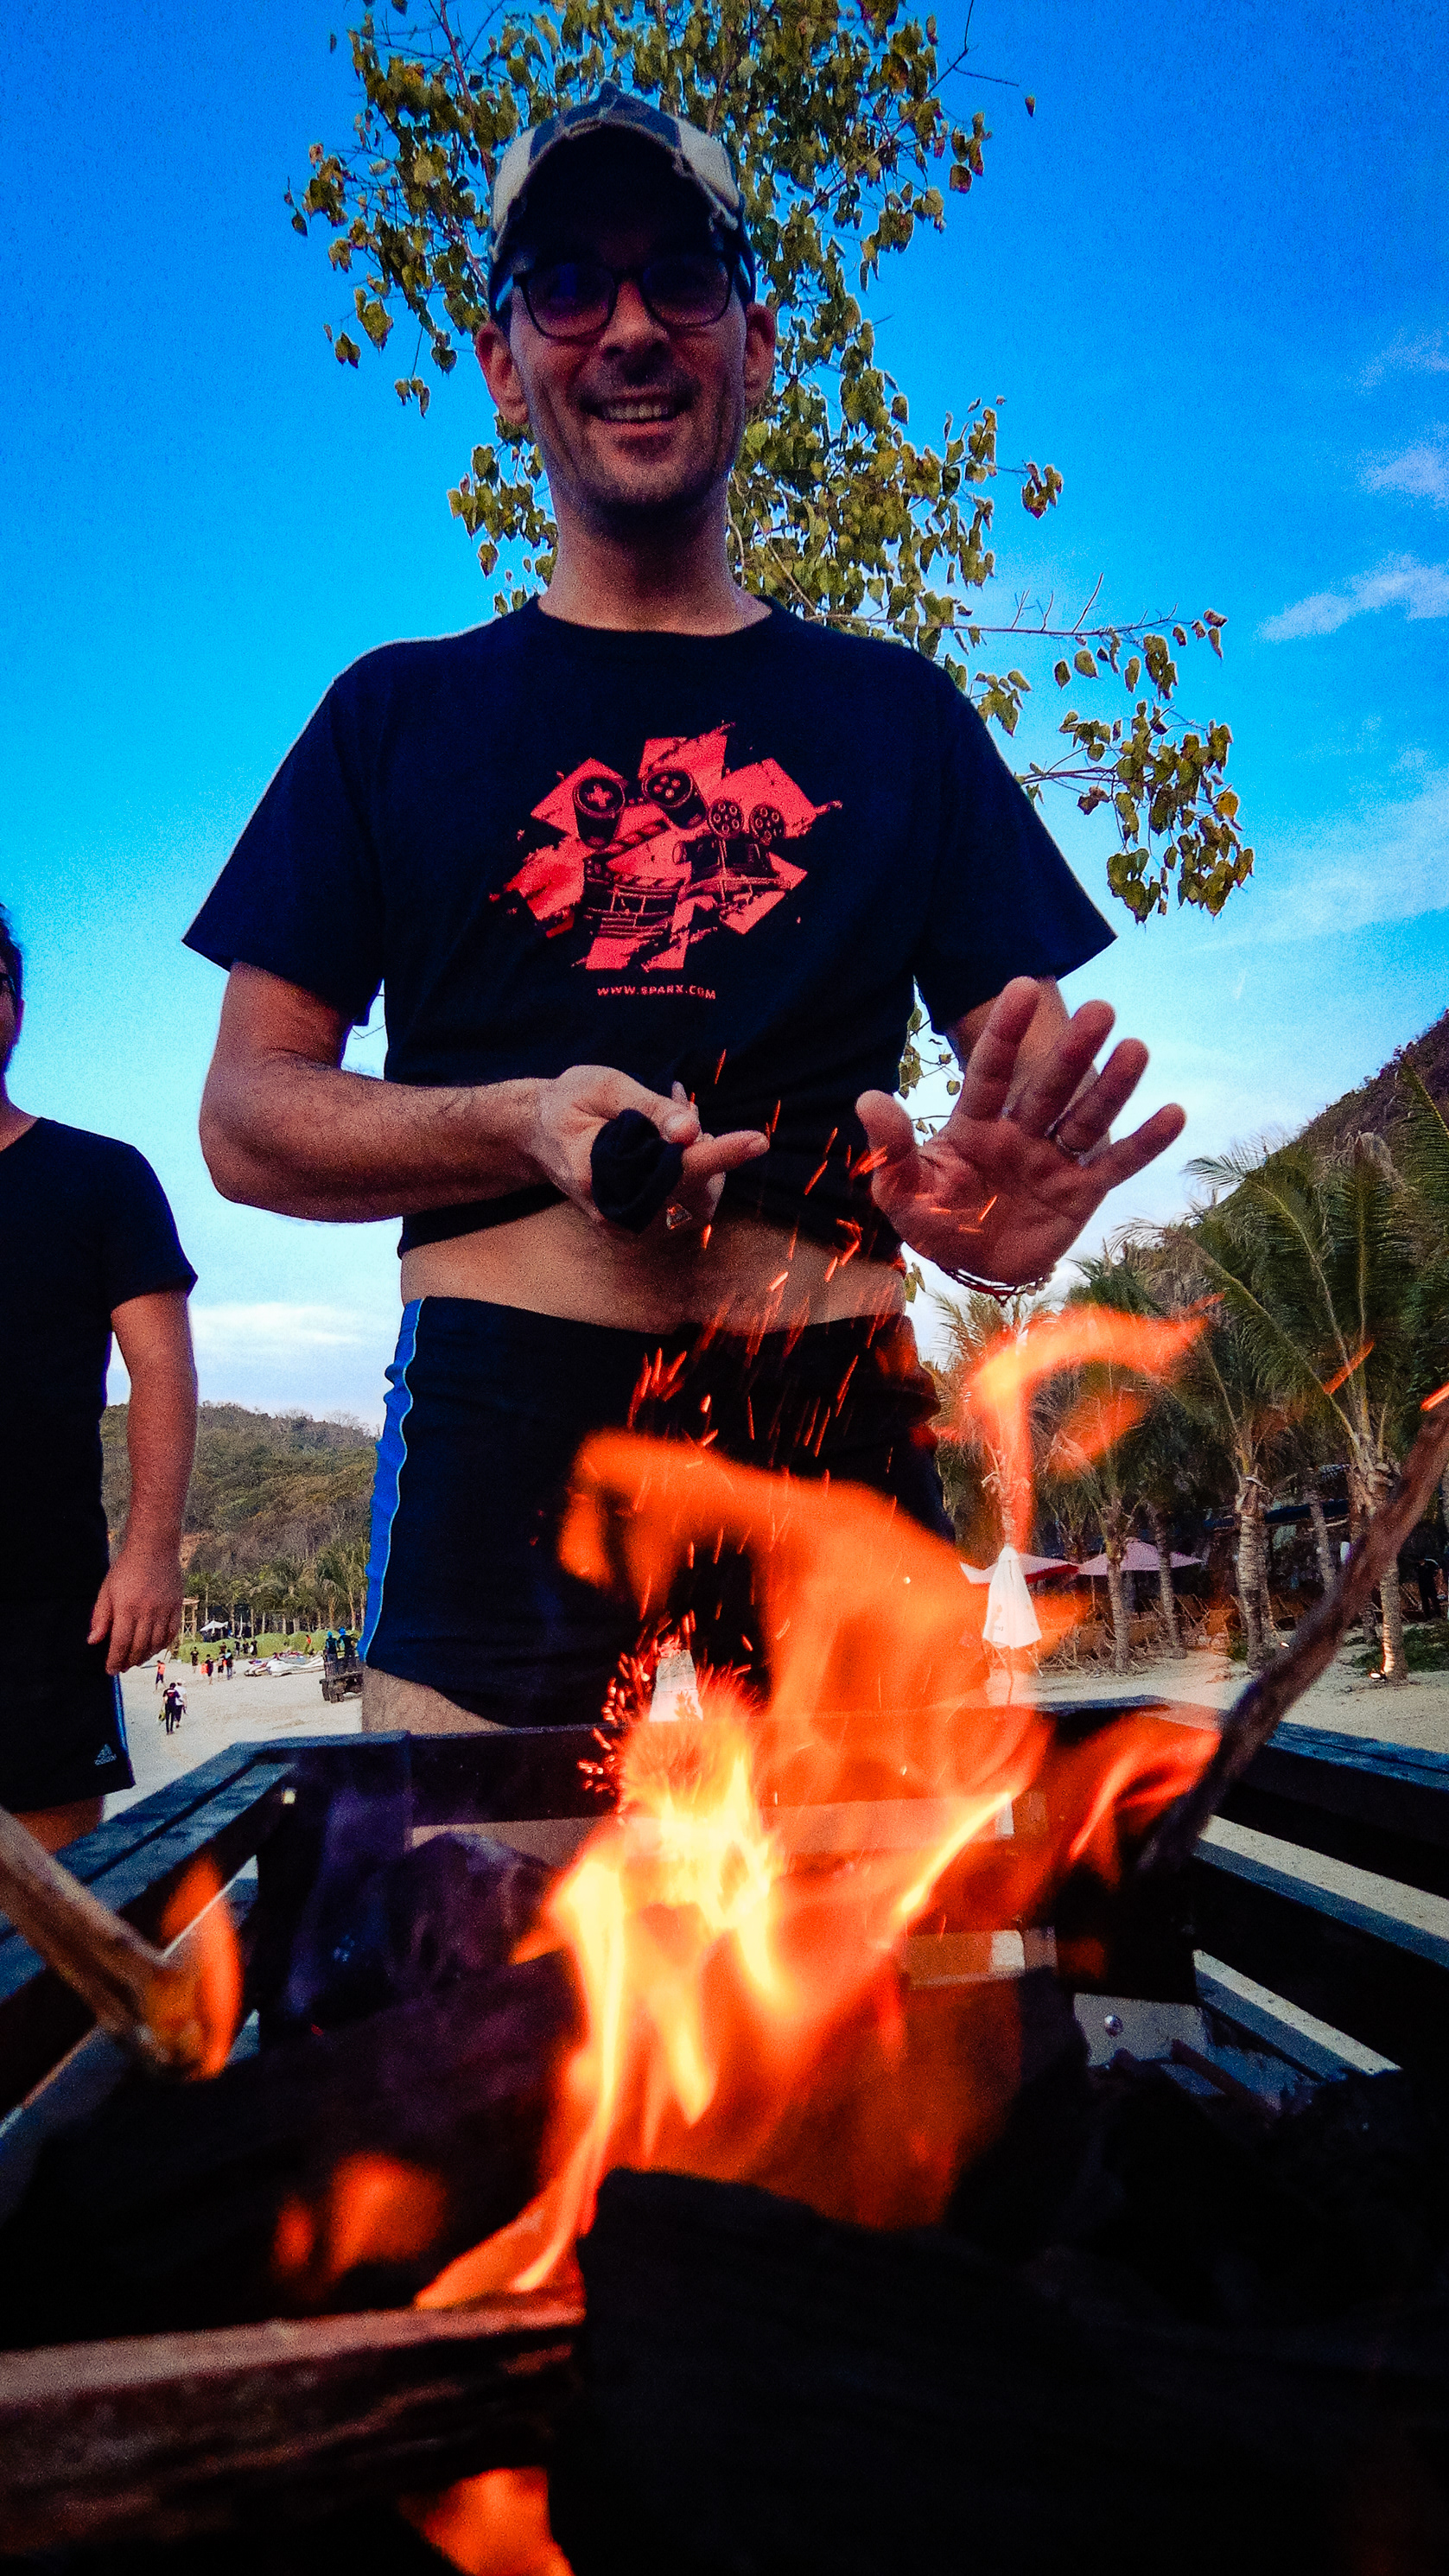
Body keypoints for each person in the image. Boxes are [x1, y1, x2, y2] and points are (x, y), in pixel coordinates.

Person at [186, 87, 1185, 1736]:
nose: (633, 327)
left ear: (757, 343)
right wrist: (515, 1123)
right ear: (503, 361)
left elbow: (1017, 1080)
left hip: (835, 1417)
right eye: (570, 284)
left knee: (905, 1904)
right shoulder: (391, 716)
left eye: (683, 278)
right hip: (508, 1431)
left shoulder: (900, 715)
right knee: (465, 1903)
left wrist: (996, 1216)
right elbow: (246, 1117)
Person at [0, 906, 198, 1847]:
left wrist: (150, 1549)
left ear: (16, 1009)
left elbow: (161, 1366)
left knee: (52, 1906)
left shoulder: (101, 1177)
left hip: (39, 1600)